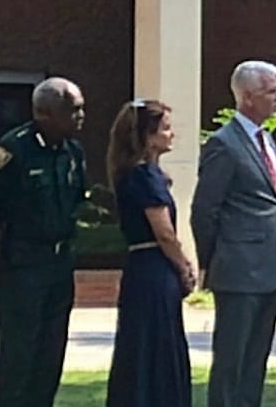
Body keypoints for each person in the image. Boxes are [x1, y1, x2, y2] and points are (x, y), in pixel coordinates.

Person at [0, 77, 87, 407]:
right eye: (72, 109)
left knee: (50, 354)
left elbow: (76, 202)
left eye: (81, 109)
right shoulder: (13, 150)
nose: (80, 116)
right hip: (20, 267)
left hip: (59, 264)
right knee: (19, 354)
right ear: (45, 113)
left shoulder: (72, 152)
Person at [191, 59, 276, 407]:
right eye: (271, 91)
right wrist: (216, 260)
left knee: (255, 362)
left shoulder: (267, 140)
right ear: (247, 97)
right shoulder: (225, 144)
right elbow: (205, 210)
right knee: (232, 361)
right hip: (237, 271)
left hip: (269, 270)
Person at [104, 99, 195, 406]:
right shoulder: (143, 177)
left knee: (147, 342)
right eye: (165, 128)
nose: (172, 135)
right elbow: (164, 233)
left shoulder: (141, 174)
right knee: (154, 343)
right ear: (147, 136)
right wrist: (184, 266)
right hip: (153, 269)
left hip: (144, 268)